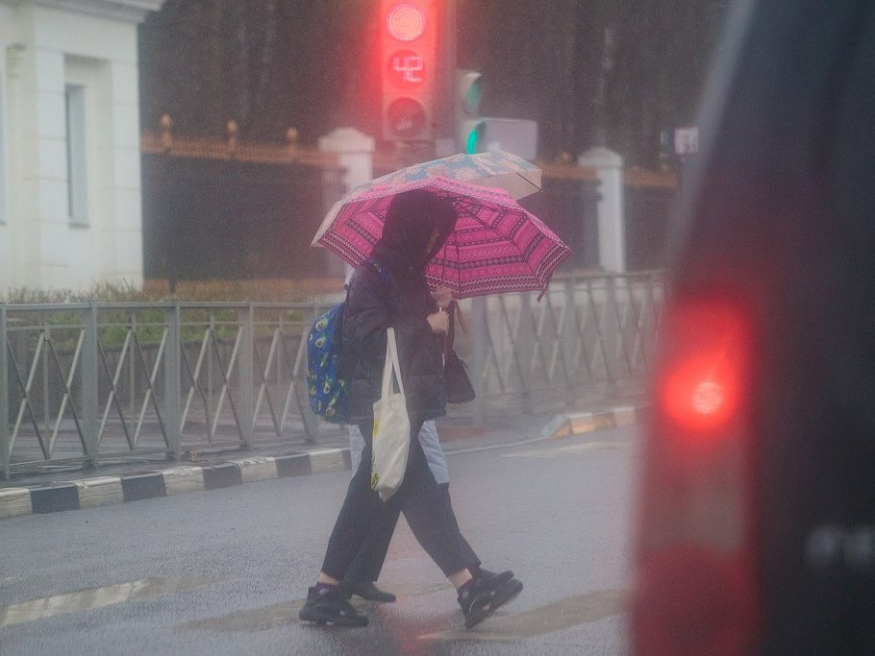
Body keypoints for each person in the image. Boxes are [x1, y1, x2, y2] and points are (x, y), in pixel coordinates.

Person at [299, 189, 523, 628]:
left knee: (376, 497)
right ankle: (468, 584)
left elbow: (424, 344)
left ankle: (327, 592)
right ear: (409, 229)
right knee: (419, 496)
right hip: (381, 404)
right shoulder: (370, 275)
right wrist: (424, 324)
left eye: (438, 234)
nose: (433, 242)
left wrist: (440, 308)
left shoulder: (408, 274)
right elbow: (366, 341)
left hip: (406, 405)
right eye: (429, 232)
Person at [341, 419, 514, 603]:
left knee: (386, 508)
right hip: (392, 422)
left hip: (401, 423)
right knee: (427, 507)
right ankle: (468, 577)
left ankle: (350, 577)